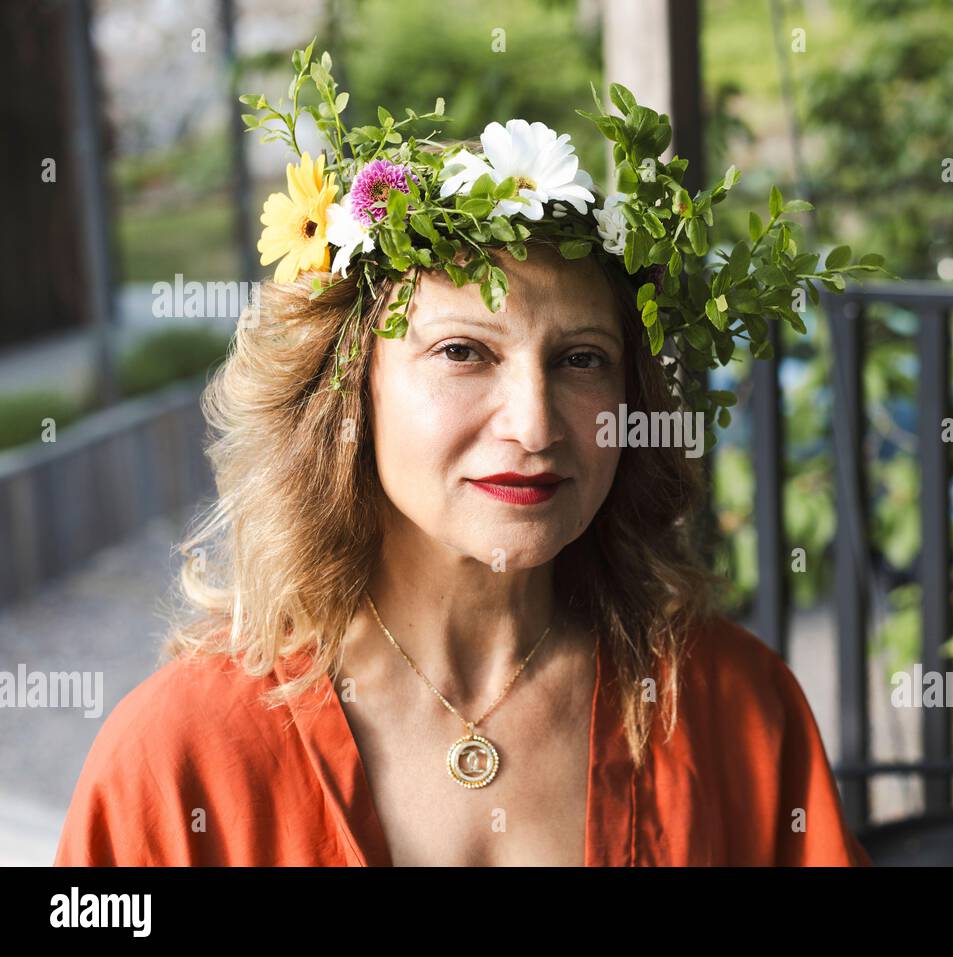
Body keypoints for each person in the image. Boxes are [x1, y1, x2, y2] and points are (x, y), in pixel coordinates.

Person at [55, 47, 877, 867]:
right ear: (347, 390)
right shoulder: (179, 761)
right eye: (463, 352)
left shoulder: (733, 712)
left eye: (581, 359)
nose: (533, 424)